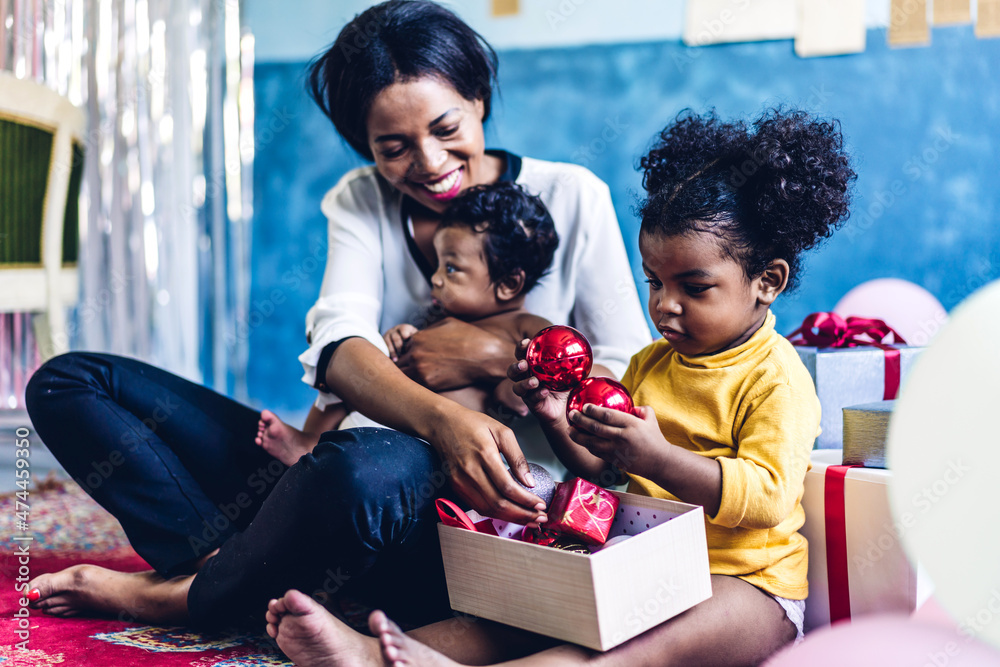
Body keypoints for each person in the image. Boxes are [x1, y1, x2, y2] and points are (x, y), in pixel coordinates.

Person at [23, 0, 649, 632]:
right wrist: (444, 418)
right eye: (394, 147)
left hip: (446, 511)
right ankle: (222, 573)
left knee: (362, 470)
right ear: (365, 145)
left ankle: (190, 593)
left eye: (445, 127)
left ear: (479, 98)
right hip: (323, 475)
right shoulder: (360, 200)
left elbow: (626, 372)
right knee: (68, 382)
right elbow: (339, 344)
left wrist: (486, 356)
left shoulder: (572, 197)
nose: (429, 163)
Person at [260, 106, 858, 666]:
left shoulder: (775, 377)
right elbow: (605, 475)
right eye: (653, 282)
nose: (664, 307)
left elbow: (767, 498)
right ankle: (373, 653)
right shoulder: (652, 364)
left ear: (767, 281)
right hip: (648, 566)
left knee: (627, 649)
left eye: (694, 288)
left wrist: (660, 457)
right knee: (537, 610)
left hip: (745, 590)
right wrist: (553, 416)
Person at [257, 181, 560, 467]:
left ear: (508, 284)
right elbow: (408, 355)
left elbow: (525, 395)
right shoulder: (440, 316)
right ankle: (309, 443)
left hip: (432, 444)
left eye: (451, 268)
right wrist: (398, 338)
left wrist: (514, 385)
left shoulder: (526, 328)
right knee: (346, 374)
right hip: (393, 412)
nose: (436, 277)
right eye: (438, 264)